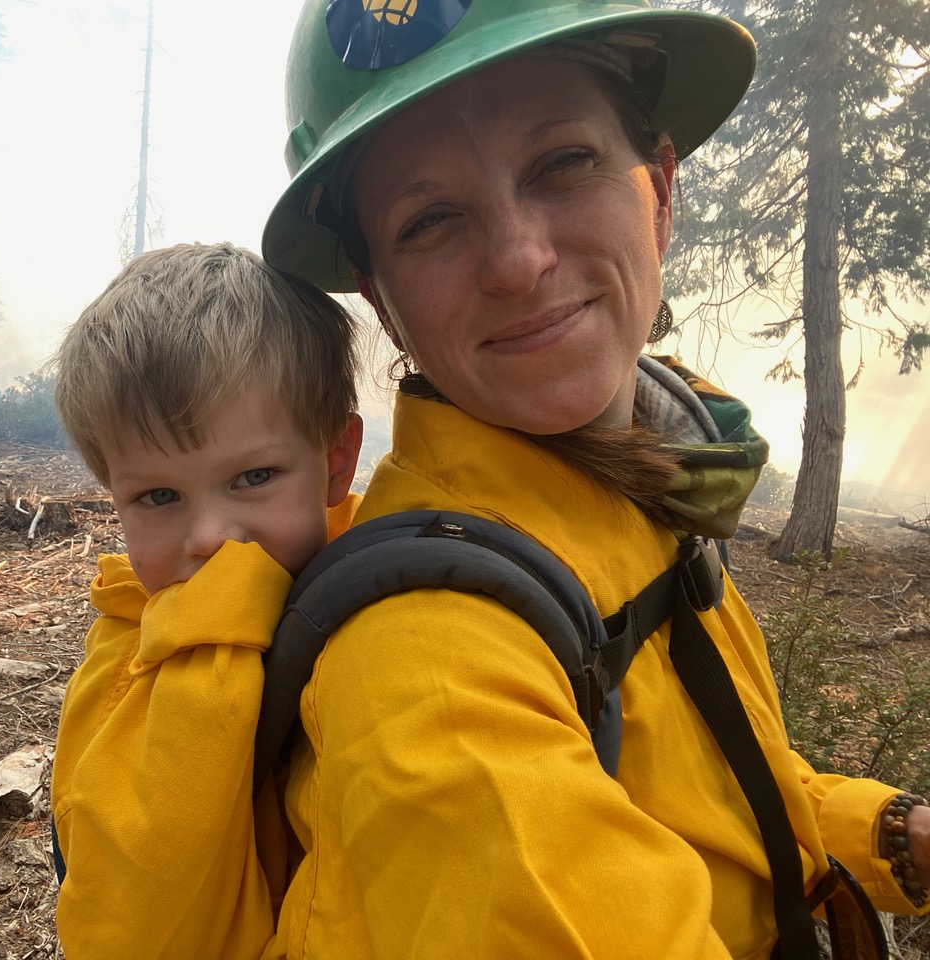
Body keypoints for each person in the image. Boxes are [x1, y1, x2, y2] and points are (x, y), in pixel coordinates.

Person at [248, 1, 930, 957]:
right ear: (383, 302)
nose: (521, 262)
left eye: (561, 164)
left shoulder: (641, 486)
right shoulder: (429, 668)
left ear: (659, 185)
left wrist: (891, 835)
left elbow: (705, 791)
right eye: (430, 219)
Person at [46, 242, 363, 959]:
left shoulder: (388, 590)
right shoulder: (129, 665)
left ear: (336, 461)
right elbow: (147, 928)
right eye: (158, 496)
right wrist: (212, 638)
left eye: (253, 476)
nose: (211, 539)